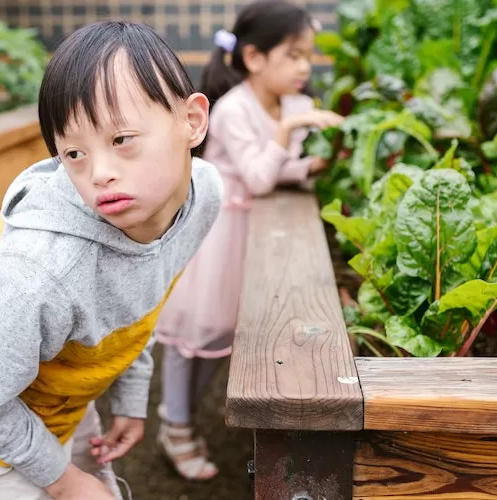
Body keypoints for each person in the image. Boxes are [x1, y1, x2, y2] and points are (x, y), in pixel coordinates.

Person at [0, 20, 224, 500]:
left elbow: (139, 291)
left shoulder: (203, 196)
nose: (100, 173)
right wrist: (65, 483)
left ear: (191, 121)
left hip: (60, 386)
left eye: (122, 139)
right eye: (73, 152)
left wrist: (130, 399)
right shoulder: (43, 270)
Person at [153, 0, 344, 481]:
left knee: (220, 336)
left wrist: (313, 165)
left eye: (308, 55)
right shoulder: (234, 108)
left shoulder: (294, 105)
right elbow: (259, 177)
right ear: (255, 57)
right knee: (190, 334)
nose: (306, 66)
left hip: (248, 239)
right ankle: (175, 426)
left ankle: (182, 421)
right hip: (215, 236)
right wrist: (286, 132)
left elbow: (279, 170)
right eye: (294, 55)